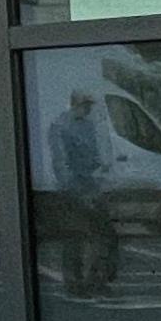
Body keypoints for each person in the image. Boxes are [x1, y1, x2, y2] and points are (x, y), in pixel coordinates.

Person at [48, 89, 124, 298]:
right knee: (77, 237)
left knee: (102, 236)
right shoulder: (61, 126)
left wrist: (102, 171)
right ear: (76, 104)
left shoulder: (87, 125)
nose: (88, 109)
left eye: (89, 105)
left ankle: (95, 280)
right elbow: (61, 163)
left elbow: (95, 156)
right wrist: (77, 190)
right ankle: (76, 282)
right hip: (74, 191)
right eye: (85, 105)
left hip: (91, 186)